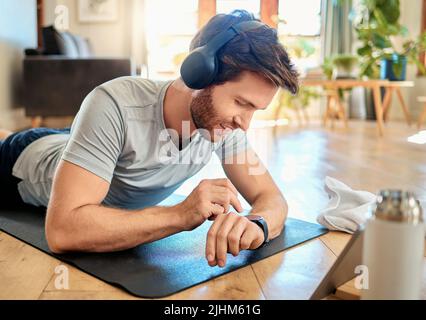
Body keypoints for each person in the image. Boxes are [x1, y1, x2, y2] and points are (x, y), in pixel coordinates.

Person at [0, 10, 298, 268]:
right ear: (201, 74)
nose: (244, 124)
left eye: (254, 110)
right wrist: (181, 214)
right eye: (241, 103)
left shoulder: (222, 127)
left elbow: (272, 199)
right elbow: (63, 231)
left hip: (75, 144)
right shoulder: (113, 103)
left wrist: (256, 224)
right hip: (24, 161)